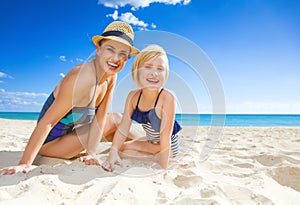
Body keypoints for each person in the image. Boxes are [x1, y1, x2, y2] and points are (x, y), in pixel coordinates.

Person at [0, 21, 140, 175]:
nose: (116, 58)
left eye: (123, 54)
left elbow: (100, 118)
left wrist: (91, 154)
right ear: (98, 49)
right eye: (110, 50)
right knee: (116, 120)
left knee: (120, 134)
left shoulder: (111, 76)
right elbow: (48, 122)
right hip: (51, 145)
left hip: (73, 138)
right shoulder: (82, 77)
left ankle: (152, 148)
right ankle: (155, 147)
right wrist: (24, 163)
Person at [102, 44, 182, 171]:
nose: (154, 73)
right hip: (151, 141)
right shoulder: (133, 96)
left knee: (122, 150)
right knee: (118, 148)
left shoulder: (167, 97)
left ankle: (154, 158)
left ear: (166, 73)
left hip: (167, 146)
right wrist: (113, 152)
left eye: (160, 69)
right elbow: (123, 128)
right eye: (148, 67)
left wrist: (162, 164)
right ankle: (110, 153)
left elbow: (166, 135)